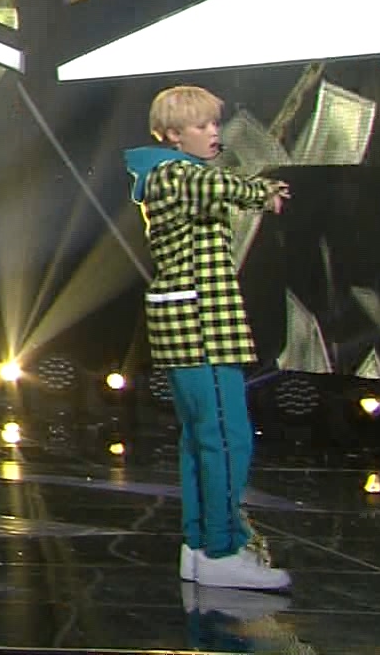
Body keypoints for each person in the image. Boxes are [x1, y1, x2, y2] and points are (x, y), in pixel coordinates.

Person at [124, 85, 292, 590]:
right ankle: (221, 548)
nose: (214, 133)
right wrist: (265, 191)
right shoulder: (174, 173)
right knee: (224, 436)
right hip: (201, 325)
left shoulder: (169, 174)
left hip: (191, 321)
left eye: (215, 123)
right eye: (202, 125)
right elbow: (219, 186)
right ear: (173, 134)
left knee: (202, 439)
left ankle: (201, 546)